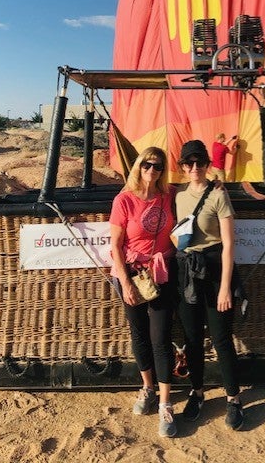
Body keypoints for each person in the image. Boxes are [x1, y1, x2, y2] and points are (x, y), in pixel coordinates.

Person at [175, 139, 244, 430]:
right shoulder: (177, 196)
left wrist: (226, 287)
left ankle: (233, 398)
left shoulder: (218, 196)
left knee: (221, 339)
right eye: (188, 163)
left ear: (207, 165)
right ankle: (198, 391)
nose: (194, 168)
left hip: (215, 271)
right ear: (182, 166)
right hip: (188, 272)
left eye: (199, 163)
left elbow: (229, 245)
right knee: (192, 339)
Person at [109, 147, 177, 438]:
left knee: (161, 338)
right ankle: (147, 387)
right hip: (132, 275)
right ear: (138, 166)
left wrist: (218, 183)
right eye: (147, 164)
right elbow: (115, 246)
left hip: (161, 274)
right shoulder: (124, 200)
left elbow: (198, 186)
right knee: (138, 334)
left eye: (158, 166)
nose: (152, 169)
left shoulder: (170, 195)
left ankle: (165, 403)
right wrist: (125, 282)